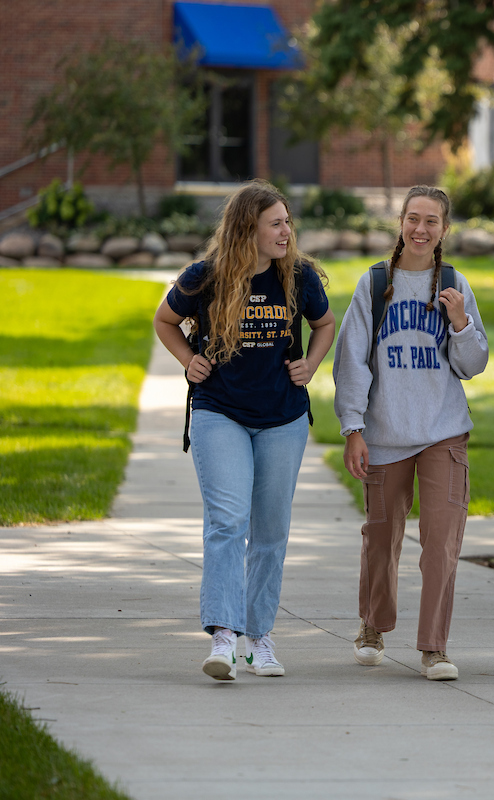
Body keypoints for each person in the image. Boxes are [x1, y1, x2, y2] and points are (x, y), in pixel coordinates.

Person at [153, 179, 335, 681]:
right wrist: (189, 360)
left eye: (287, 222)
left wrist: (312, 364)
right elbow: (165, 320)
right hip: (220, 412)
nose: (286, 231)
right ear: (246, 230)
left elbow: (325, 324)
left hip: (283, 416)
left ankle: (259, 637)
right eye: (275, 223)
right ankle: (225, 635)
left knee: (271, 530)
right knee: (228, 521)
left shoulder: (299, 277)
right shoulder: (204, 277)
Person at [332, 186, 488, 681]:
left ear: (445, 229)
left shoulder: (454, 284)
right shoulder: (374, 284)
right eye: (413, 219)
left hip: (443, 431)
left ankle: (434, 648)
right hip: (384, 432)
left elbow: (473, 364)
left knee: (441, 541)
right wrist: (353, 427)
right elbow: (352, 362)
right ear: (400, 222)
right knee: (381, 538)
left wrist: (460, 322)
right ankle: (372, 627)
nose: (421, 230)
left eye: (432, 222)